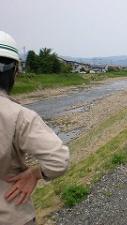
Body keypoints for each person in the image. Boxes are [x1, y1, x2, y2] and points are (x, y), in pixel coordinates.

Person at [0, 31, 69, 225]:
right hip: (11, 213)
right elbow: (58, 160)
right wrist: (35, 173)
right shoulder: (19, 116)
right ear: (14, 72)